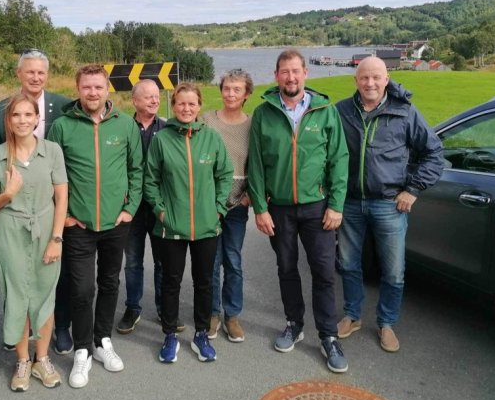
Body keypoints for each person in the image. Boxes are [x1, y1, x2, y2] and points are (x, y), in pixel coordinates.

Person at [247, 49, 350, 373]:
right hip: (278, 208)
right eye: (284, 72)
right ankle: (294, 322)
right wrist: (260, 209)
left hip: (317, 207)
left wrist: (335, 204)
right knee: (286, 267)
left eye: (296, 71)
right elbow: (257, 166)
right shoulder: (264, 113)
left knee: (322, 271)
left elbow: (339, 160)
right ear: (276, 76)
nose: (290, 77)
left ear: (306, 73)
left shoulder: (325, 111)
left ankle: (328, 335)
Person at [336, 56, 444, 353]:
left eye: (376, 77)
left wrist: (413, 189)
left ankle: (386, 323)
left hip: (389, 204)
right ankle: (353, 315)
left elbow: (435, 154)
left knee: (393, 270)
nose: (370, 83)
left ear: (387, 79)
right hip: (349, 203)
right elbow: (327, 153)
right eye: (364, 78)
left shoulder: (405, 112)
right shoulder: (341, 111)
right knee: (348, 264)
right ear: (355, 80)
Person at [47, 64, 143, 389]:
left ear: (107, 89)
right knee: (82, 289)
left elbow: (136, 169)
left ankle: (103, 341)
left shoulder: (125, 125)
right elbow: (52, 175)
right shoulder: (61, 126)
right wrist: (66, 216)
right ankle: (82, 349)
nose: (93, 93)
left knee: (110, 282)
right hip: (78, 224)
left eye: (98, 87)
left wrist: (130, 208)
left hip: (116, 223)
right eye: (87, 87)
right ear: (78, 88)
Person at [0, 48, 74, 355]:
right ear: (19, 74)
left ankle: (59, 328)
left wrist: (62, 220)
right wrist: (0, 214)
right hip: (15, 210)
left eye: (41, 72)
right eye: (30, 71)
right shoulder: (0, 110)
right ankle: (17, 334)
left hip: (51, 205)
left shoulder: (63, 106)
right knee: (17, 280)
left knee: (52, 278)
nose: (36, 77)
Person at [0, 93, 68, 390]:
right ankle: (21, 361)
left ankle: (41, 360)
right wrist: (8, 193)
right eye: (15, 116)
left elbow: (61, 197)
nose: (22, 121)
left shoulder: (52, 151)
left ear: (37, 119)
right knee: (17, 295)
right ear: (8, 120)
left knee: (45, 294)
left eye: (27, 115)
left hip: (46, 229)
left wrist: (57, 237)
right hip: (11, 232)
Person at [144, 83, 233, 364]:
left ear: (199, 106)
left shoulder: (212, 138)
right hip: (171, 227)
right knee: (171, 281)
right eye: (181, 104)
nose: (186, 108)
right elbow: (151, 180)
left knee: (204, 282)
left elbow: (225, 175)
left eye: (192, 104)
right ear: (174, 106)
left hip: (207, 226)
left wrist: (219, 209)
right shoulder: (162, 139)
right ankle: (170, 334)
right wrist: (160, 212)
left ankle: (201, 334)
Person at [116, 79, 180, 334]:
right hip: (131, 208)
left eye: (156, 96)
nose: (154, 100)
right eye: (148, 97)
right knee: (133, 262)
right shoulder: (122, 128)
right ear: (135, 101)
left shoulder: (167, 128)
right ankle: (133, 308)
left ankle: (165, 308)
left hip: (158, 208)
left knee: (163, 261)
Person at [201, 69, 253, 343]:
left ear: (246, 94)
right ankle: (213, 313)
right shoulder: (207, 119)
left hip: (237, 204)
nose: (230, 94)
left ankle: (232, 315)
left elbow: (257, 162)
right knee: (212, 261)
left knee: (233, 260)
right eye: (227, 88)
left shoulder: (253, 124)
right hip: (208, 203)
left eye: (237, 89)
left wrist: (249, 197)